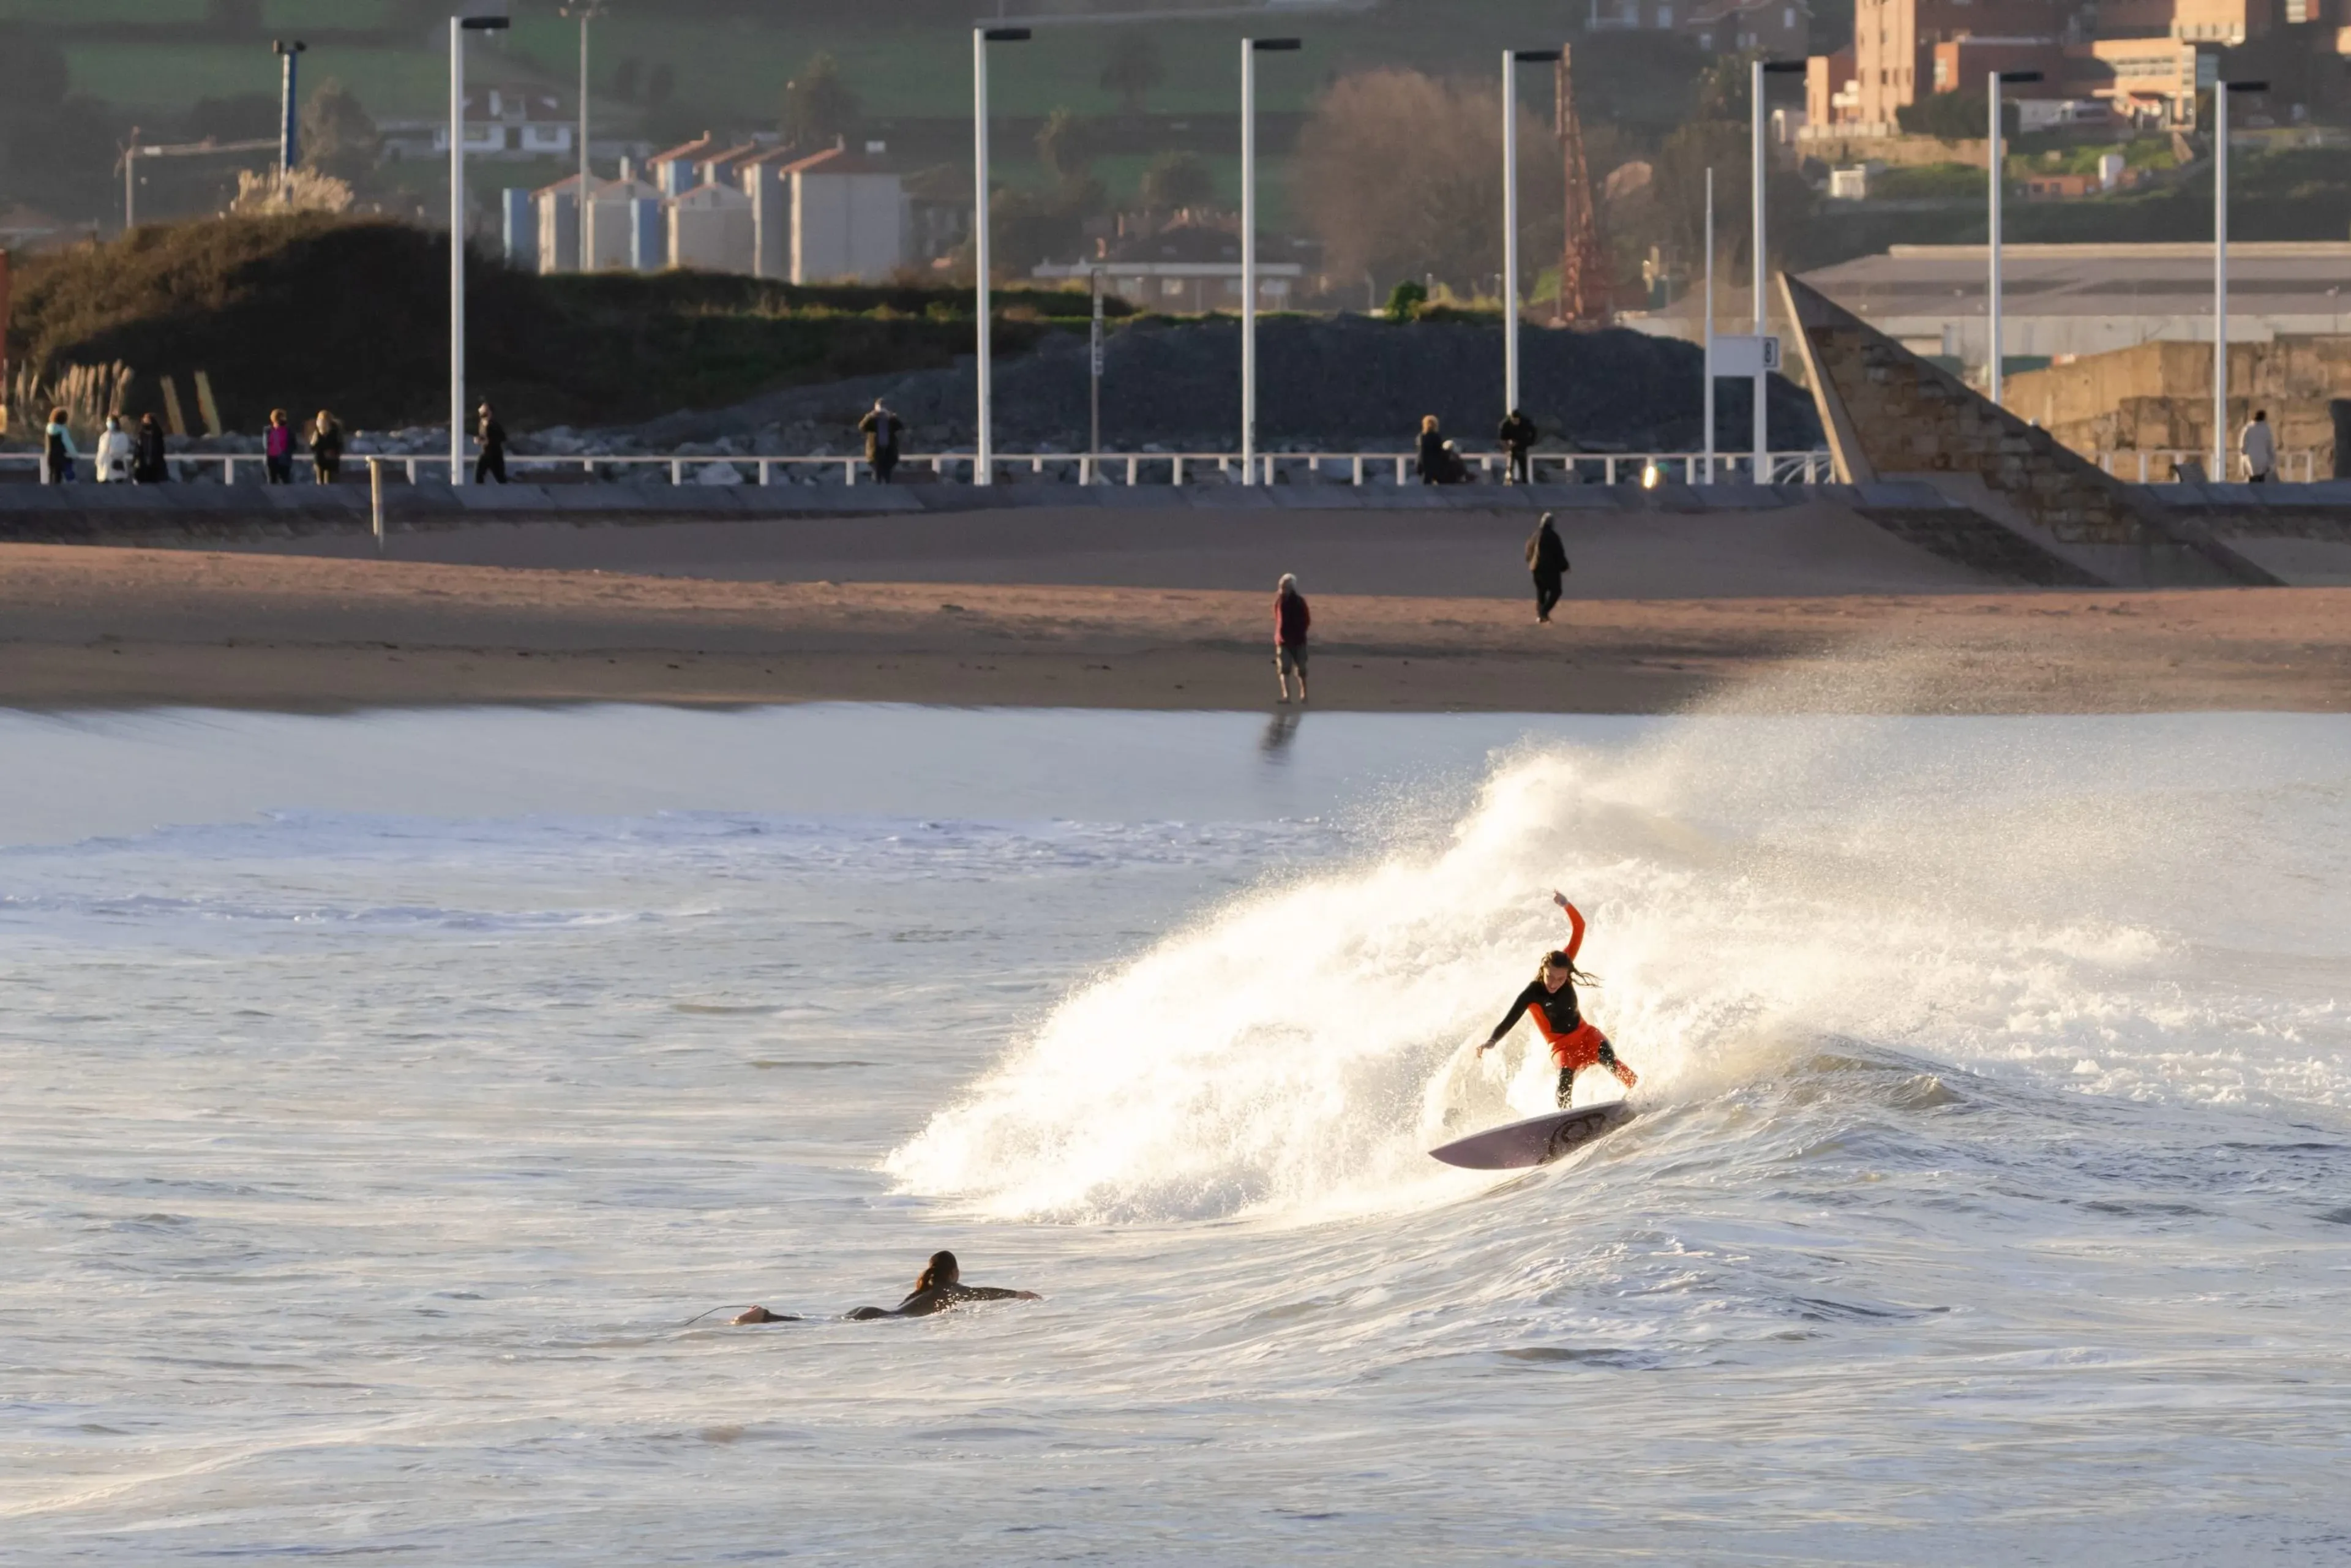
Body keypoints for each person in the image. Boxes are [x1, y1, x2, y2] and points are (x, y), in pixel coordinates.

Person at [1477, 890, 1640, 1109]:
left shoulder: (1565, 967)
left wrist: (1567, 905)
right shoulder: (1532, 994)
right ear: (1543, 970)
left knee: (1610, 1060)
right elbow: (1510, 1019)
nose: (1554, 983)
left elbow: (1579, 928)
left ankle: (1642, 1097)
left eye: (1561, 979)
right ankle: (1565, 1123)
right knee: (1564, 1083)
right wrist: (1492, 1041)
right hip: (1562, 1048)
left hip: (1586, 1035)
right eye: (1549, 977)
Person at [734, 1250, 1040, 1324]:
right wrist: (1015, 1294)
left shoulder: (924, 1291)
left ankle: (765, 1317)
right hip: (879, 1318)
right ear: (954, 1273)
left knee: (818, 1324)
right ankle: (764, 1316)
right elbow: (980, 1293)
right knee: (813, 1326)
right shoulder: (949, 1290)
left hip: (872, 1312)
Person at [1526, 511, 1569, 624]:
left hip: (1536, 569)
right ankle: (1543, 613)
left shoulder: (1534, 535)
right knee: (1556, 591)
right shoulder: (1553, 536)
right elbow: (1559, 553)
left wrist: (1531, 563)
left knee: (1541, 593)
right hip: (1550, 570)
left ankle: (1541, 616)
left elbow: (1528, 551)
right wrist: (1564, 566)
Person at [1274, 571, 1310, 705]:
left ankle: (1304, 694)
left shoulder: (1300, 602)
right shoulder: (1279, 602)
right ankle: (1286, 696)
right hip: (1283, 641)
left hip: (1299, 641)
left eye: (1285, 587)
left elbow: (1306, 620)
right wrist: (1279, 635)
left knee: (1301, 669)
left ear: (1292, 588)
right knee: (1284, 668)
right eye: (1282, 587)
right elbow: (1278, 619)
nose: (1283, 590)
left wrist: (1300, 633)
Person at [858, 397, 903, 483]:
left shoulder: (891, 420)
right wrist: (870, 416)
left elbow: (900, 427)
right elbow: (862, 427)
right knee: (877, 476)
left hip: (889, 452)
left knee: (888, 477)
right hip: (875, 452)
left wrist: (892, 417)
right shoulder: (872, 420)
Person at [1498, 408, 1539, 486]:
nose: (1515, 422)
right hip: (1511, 443)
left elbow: (1534, 432)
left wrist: (1531, 442)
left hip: (1522, 443)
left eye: (1517, 420)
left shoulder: (1526, 423)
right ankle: (1508, 479)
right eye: (1514, 420)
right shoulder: (1506, 424)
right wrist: (1506, 445)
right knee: (1510, 463)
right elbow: (1502, 437)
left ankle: (1524, 480)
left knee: (1522, 462)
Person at [41, 407, 78, 484]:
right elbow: (68, 444)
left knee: (52, 478)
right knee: (59, 479)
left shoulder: (48, 429)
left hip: (50, 457)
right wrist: (74, 454)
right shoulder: (62, 430)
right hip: (61, 457)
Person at [474, 402, 508, 484]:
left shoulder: (494, 425)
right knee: (479, 476)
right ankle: (481, 493)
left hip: (495, 455)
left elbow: (502, 437)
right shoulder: (482, 423)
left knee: (501, 478)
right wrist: (480, 439)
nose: (481, 411)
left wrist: (488, 441)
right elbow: (484, 436)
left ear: (490, 412)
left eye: (484, 410)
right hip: (486, 453)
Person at [93, 415, 133, 483]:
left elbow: (123, 449)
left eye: (111, 422)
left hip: (116, 468)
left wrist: (113, 454)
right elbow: (100, 451)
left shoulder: (122, 436)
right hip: (104, 471)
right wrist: (98, 461)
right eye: (108, 421)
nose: (109, 424)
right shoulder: (104, 436)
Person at [133, 412, 170, 484]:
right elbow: (138, 450)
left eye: (147, 419)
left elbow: (160, 450)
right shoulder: (141, 435)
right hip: (143, 466)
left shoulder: (157, 434)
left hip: (155, 466)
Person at [310, 410, 345, 486]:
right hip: (325, 460)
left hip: (327, 460)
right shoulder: (319, 432)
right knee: (329, 483)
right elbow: (313, 447)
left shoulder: (332, 432)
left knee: (326, 483)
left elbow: (313, 447)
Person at [2241, 409, 2276, 484]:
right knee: (2261, 482)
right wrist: (2272, 461)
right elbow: (2270, 446)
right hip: (2263, 460)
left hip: (2251, 459)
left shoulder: (2248, 428)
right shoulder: (2266, 429)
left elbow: (2243, 447)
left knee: (2252, 481)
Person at [263, 408, 295, 484]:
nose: (282, 419)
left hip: (284, 459)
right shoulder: (268, 431)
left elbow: (293, 444)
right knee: (272, 481)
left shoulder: (288, 431)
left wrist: (287, 453)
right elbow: (265, 445)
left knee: (286, 481)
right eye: (280, 417)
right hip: (272, 459)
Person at [1416, 415, 1445, 485]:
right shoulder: (1437, 437)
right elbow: (1440, 452)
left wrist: (1419, 466)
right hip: (1436, 465)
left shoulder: (1422, 437)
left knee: (1426, 486)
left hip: (1426, 466)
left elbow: (1422, 453)